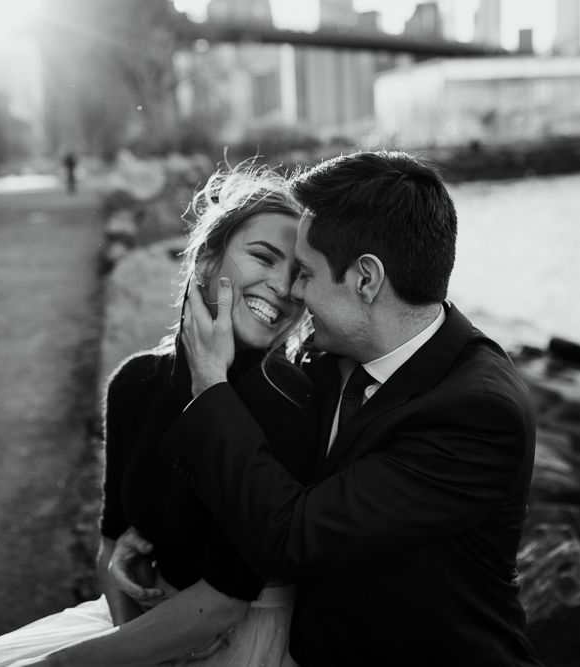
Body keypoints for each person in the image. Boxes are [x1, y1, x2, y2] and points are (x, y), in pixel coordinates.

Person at [150, 151, 543, 666]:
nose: (292, 291)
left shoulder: (478, 413)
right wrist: (162, 519)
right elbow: (271, 462)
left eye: (306, 273)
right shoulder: (337, 352)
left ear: (365, 279)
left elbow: (292, 535)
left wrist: (209, 383)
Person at [0, 165, 317, 667]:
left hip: (241, 644)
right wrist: (131, 643)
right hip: (137, 628)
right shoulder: (134, 383)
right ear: (207, 260)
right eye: (263, 257)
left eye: (299, 273)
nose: (283, 287)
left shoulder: (288, 401)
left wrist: (69, 664)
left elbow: (222, 603)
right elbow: (111, 546)